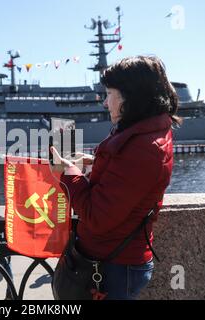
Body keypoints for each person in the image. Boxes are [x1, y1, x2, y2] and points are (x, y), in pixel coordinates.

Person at [51, 56, 180, 300]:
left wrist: (67, 173)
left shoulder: (143, 147)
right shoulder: (147, 134)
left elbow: (97, 216)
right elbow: (126, 180)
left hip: (114, 267)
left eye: (109, 93)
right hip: (116, 259)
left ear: (129, 97)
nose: (104, 101)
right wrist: (97, 163)